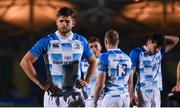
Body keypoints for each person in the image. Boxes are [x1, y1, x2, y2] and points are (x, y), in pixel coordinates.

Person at [20, 7, 97, 107]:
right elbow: (25, 62)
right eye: (61, 21)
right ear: (56, 22)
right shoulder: (47, 41)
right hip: (54, 96)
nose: (64, 24)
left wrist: (87, 80)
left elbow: (93, 61)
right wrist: (41, 83)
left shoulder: (81, 41)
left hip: (76, 95)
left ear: (73, 23)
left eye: (67, 21)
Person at [129, 33, 179, 107]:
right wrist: (131, 94)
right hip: (142, 92)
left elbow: (176, 40)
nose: (158, 50)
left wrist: (162, 37)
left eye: (160, 47)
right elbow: (129, 77)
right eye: (156, 47)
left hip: (156, 92)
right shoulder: (136, 53)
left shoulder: (159, 52)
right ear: (149, 41)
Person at [93, 29, 132, 107]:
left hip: (112, 98)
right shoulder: (127, 57)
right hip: (125, 98)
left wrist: (95, 102)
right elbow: (130, 82)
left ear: (106, 42)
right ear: (118, 41)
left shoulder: (105, 57)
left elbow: (100, 84)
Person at [81, 37, 103, 107]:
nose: (93, 49)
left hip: (102, 99)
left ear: (100, 47)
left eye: (96, 46)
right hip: (87, 99)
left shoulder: (106, 59)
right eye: (91, 47)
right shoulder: (82, 62)